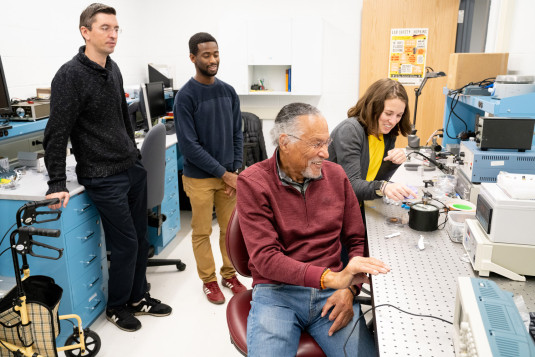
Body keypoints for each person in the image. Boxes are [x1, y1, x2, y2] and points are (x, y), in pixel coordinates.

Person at [43, 3, 171, 332]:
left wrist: (134, 153)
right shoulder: (70, 76)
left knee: (141, 239)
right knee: (126, 243)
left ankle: (138, 296)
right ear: (85, 32)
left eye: (116, 29)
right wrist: (57, 181)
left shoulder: (111, 68)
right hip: (103, 176)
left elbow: (122, 117)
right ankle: (116, 306)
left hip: (130, 168)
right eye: (105, 28)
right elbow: (56, 133)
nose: (113, 34)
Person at [236, 103, 390, 356]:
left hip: (332, 293)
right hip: (277, 293)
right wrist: (333, 278)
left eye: (326, 143)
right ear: (285, 142)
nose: (326, 153)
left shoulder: (336, 175)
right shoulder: (253, 182)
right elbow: (265, 258)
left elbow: (355, 239)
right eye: (316, 144)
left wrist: (349, 289)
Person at [173, 32, 246, 305]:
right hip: (200, 179)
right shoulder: (185, 97)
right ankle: (209, 281)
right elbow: (190, 147)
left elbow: (237, 134)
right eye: (206, 55)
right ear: (193, 58)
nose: (213, 59)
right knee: (202, 231)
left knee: (230, 230)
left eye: (215, 54)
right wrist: (223, 173)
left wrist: (234, 171)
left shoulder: (228, 92)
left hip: (229, 177)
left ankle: (230, 274)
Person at [328, 78, 415, 202]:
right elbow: (351, 186)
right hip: (334, 205)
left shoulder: (387, 135)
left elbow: (376, 180)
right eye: (388, 113)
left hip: (357, 203)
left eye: (399, 115)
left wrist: (393, 162)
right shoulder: (350, 130)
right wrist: (383, 188)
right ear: (373, 107)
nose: (393, 121)